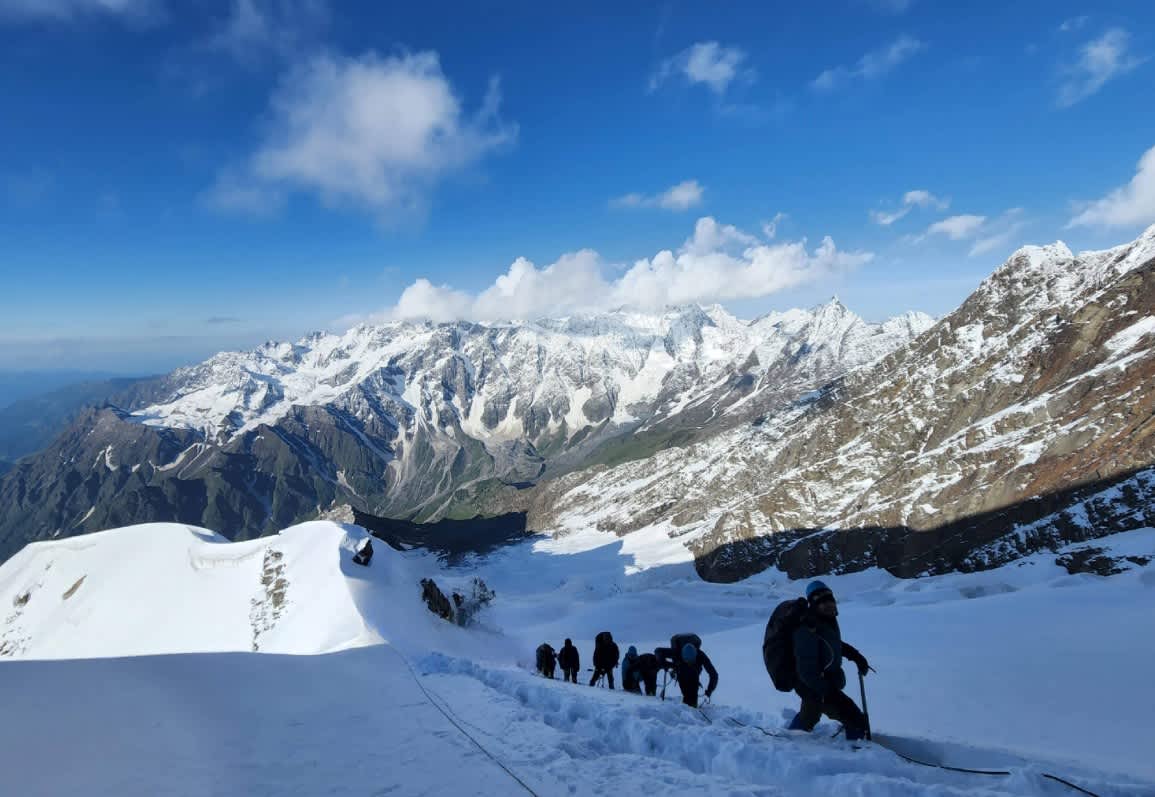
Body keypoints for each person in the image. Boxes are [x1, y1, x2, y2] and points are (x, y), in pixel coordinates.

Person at [788, 580, 870, 741]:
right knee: (855, 719)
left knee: (809, 716)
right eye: (821, 601)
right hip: (817, 686)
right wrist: (828, 692)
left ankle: (792, 739)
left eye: (829, 600)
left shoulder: (825, 621)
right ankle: (860, 751)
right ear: (813, 604)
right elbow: (806, 669)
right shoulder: (807, 628)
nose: (828, 605)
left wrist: (855, 655)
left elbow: (831, 643)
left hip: (821, 684)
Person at [656, 636, 718, 708]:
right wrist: (669, 665)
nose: (689, 663)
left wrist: (709, 691)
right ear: (682, 655)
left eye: (691, 662)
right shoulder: (676, 652)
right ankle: (688, 707)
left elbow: (714, 674)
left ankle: (691, 706)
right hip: (681, 671)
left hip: (694, 673)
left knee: (692, 694)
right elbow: (658, 651)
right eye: (687, 661)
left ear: (695, 655)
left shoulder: (701, 655)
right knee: (686, 693)